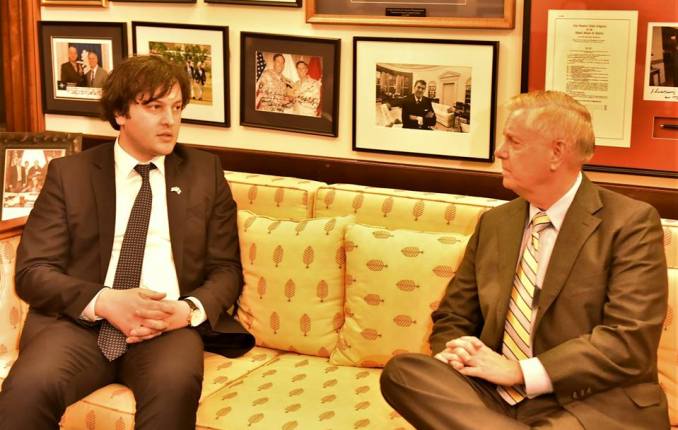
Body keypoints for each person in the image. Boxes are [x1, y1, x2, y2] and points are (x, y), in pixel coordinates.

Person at [380, 90, 669, 429]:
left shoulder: (630, 223)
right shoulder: (495, 223)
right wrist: (457, 351)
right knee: (402, 373)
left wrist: (520, 371)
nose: (499, 151)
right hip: (492, 396)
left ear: (556, 153)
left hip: (589, 399)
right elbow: (454, 314)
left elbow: (628, 340)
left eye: (513, 142)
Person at [0, 55, 254, 429]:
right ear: (120, 113)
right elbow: (33, 271)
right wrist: (105, 301)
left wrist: (186, 310)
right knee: (27, 389)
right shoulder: (70, 175)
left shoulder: (205, 173)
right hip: (80, 326)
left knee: (174, 388)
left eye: (177, 108)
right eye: (155, 107)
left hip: (166, 327)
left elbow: (226, 270)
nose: (170, 121)